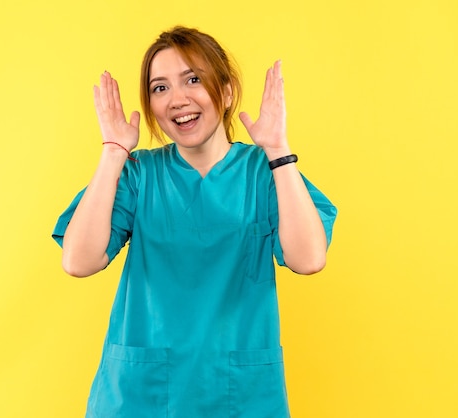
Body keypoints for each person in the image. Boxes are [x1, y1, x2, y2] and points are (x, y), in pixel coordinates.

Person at [53, 26, 337, 418]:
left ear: (227, 91)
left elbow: (308, 259)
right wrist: (113, 152)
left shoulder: (265, 174)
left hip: (240, 395)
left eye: (193, 79)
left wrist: (277, 149)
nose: (177, 100)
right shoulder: (139, 176)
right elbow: (78, 261)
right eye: (160, 88)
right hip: (139, 396)